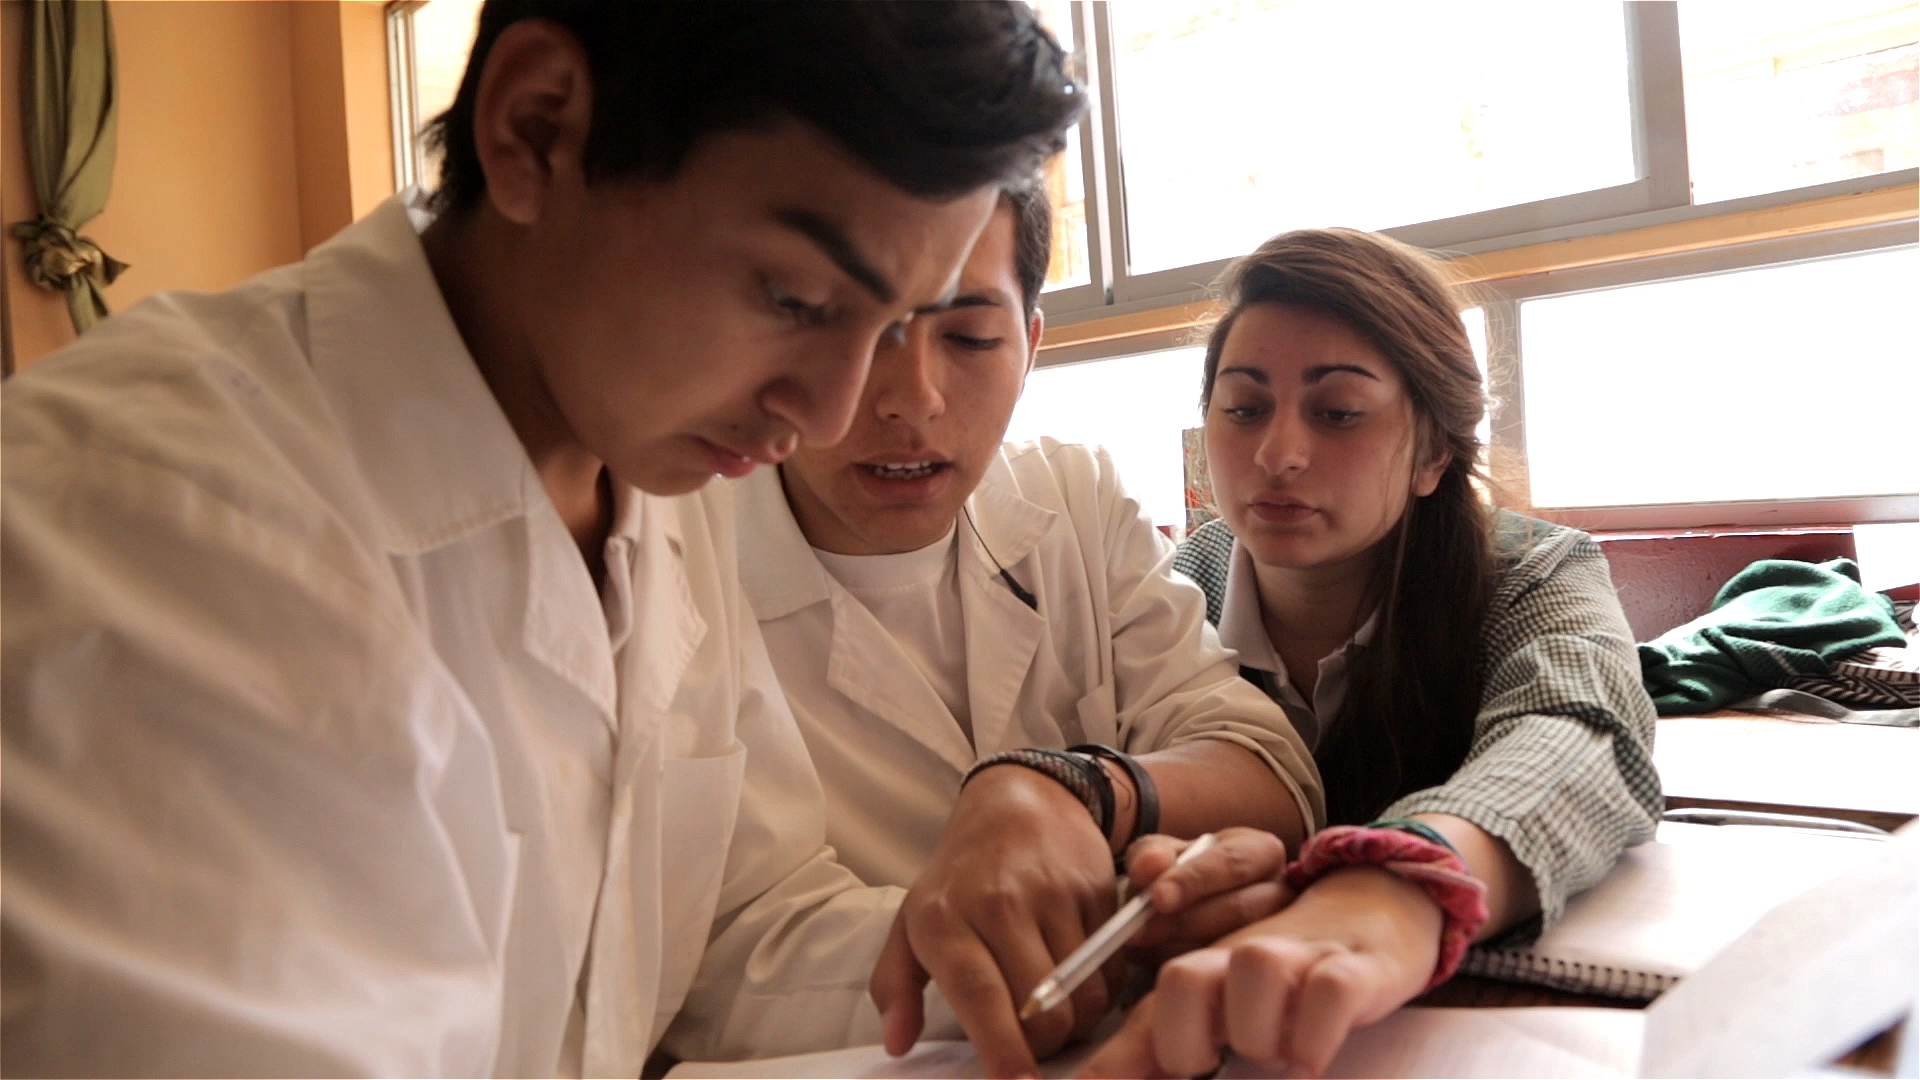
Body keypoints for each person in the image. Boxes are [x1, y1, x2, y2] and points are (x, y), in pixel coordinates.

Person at [0, 3, 1083, 1075]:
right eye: (793, 297)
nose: (837, 412)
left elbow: (729, 926)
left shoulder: (653, 474)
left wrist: (1041, 961)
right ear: (538, 129)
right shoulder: (149, 525)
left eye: (900, 321)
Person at [732, 184, 1323, 1077]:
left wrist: (1073, 790)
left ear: (1031, 344)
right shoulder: (677, 555)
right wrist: (1104, 932)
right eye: (840, 324)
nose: (912, 399)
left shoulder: (1073, 499)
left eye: (969, 337)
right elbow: (717, 955)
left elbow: (1266, 766)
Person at [1082, 228, 1661, 1078]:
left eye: (1339, 412)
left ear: (1433, 451)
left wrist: (1400, 884)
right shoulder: (1162, 593)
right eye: (1243, 409)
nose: (1278, 453)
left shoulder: (1531, 573)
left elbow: (1585, 734)